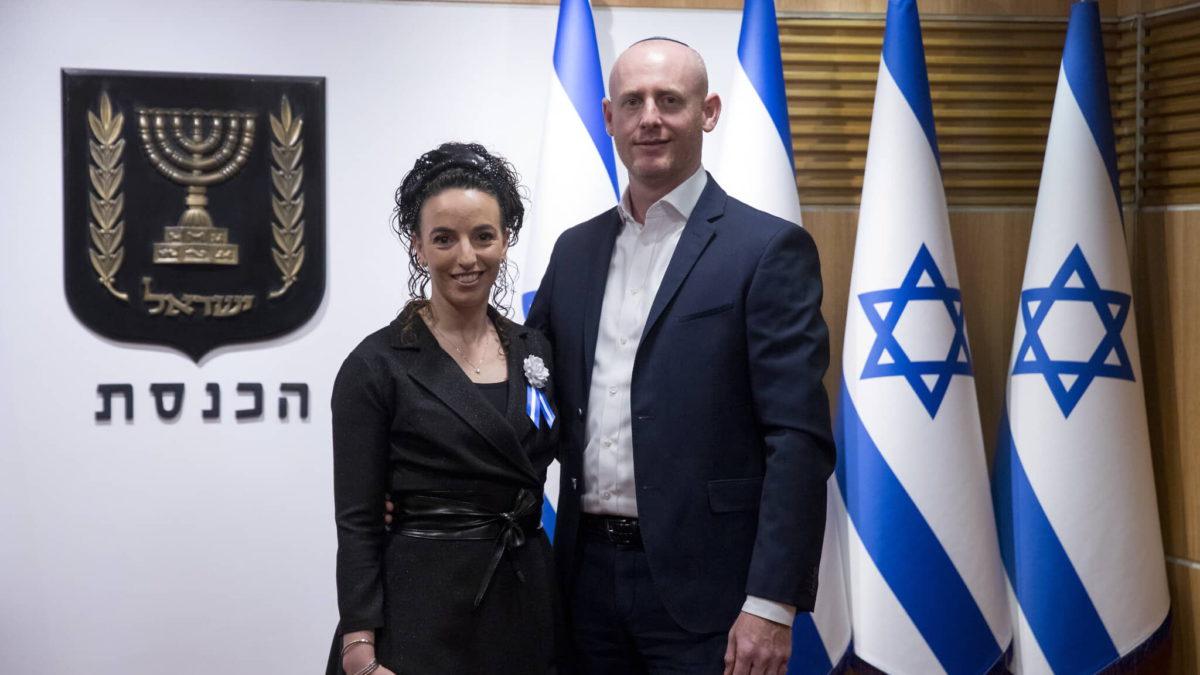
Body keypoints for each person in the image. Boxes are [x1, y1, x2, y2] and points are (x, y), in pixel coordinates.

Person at [525, 38, 835, 675]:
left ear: (709, 111)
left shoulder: (768, 250)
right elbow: (531, 404)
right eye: (633, 102)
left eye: (670, 100)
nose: (650, 119)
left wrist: (772, 602)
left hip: (713, 598)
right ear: (608, 115)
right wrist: (424, 487)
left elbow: (797, 438)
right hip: (581, 586)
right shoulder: (574, 251)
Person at [328, 142, 559, 675]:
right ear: (418, 247)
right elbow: (358, 521)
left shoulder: (536, 351)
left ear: (505, 241)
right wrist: (359, 645)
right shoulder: (375, 364)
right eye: (444, 239)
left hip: (524, 601)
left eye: (483, 236)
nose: (466, 257)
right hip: (421, 609)